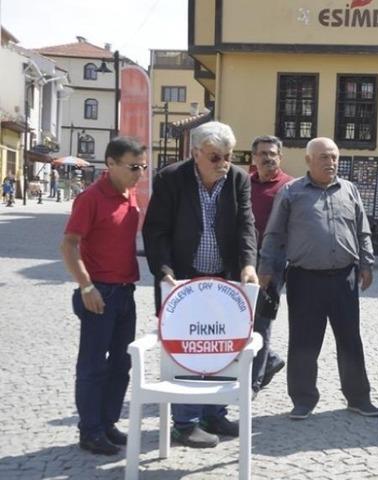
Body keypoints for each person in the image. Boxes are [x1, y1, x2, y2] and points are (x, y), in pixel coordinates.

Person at [142, 121, 259, 449]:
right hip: (182, 279)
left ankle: (214, 413)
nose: (223, 162)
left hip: (222, 279)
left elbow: (246, 225)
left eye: (229, 155)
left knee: (221, 347)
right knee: (186, 349)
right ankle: (185, 422)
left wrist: (248, 264)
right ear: (195, 154)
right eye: (215, 157)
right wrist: (163, 269)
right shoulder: (171, 179)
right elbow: (156, 230)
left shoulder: (237, 179)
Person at [259, 137, 378, 420]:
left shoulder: (349, 189)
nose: (331, 162)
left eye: (334, 157)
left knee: (350, 339)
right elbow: (274, 234)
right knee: (304, 341)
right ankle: (303, 399)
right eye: (324, 157)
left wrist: (367, 263)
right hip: (305, 278)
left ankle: (358, 398)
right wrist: (266, 268)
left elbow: (363, 230)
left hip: (344, 278)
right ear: (309, 161)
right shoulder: (291, 192)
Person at [59, 137, 147, 455]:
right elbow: (68, 245)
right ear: (110, 163)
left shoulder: (130, 192)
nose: (139, 173)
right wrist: (86, 286)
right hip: (99, 293)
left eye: (143, 167)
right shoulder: (91, 198)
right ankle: (90, 430)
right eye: (133, 167)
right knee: (93, 366)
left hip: (126, 292)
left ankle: (107, 423)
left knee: (121, 363)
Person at [248, 135, 293, 398]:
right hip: (245, 262)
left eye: (272, 153)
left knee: (262, 321)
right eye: (262, 153)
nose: (267, 158)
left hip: (274, 264)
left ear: (280, 157)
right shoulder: (244, 184)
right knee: (241, 318)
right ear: (254, 157)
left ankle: (253, 382)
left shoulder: (289, 187)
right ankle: (271, 358)